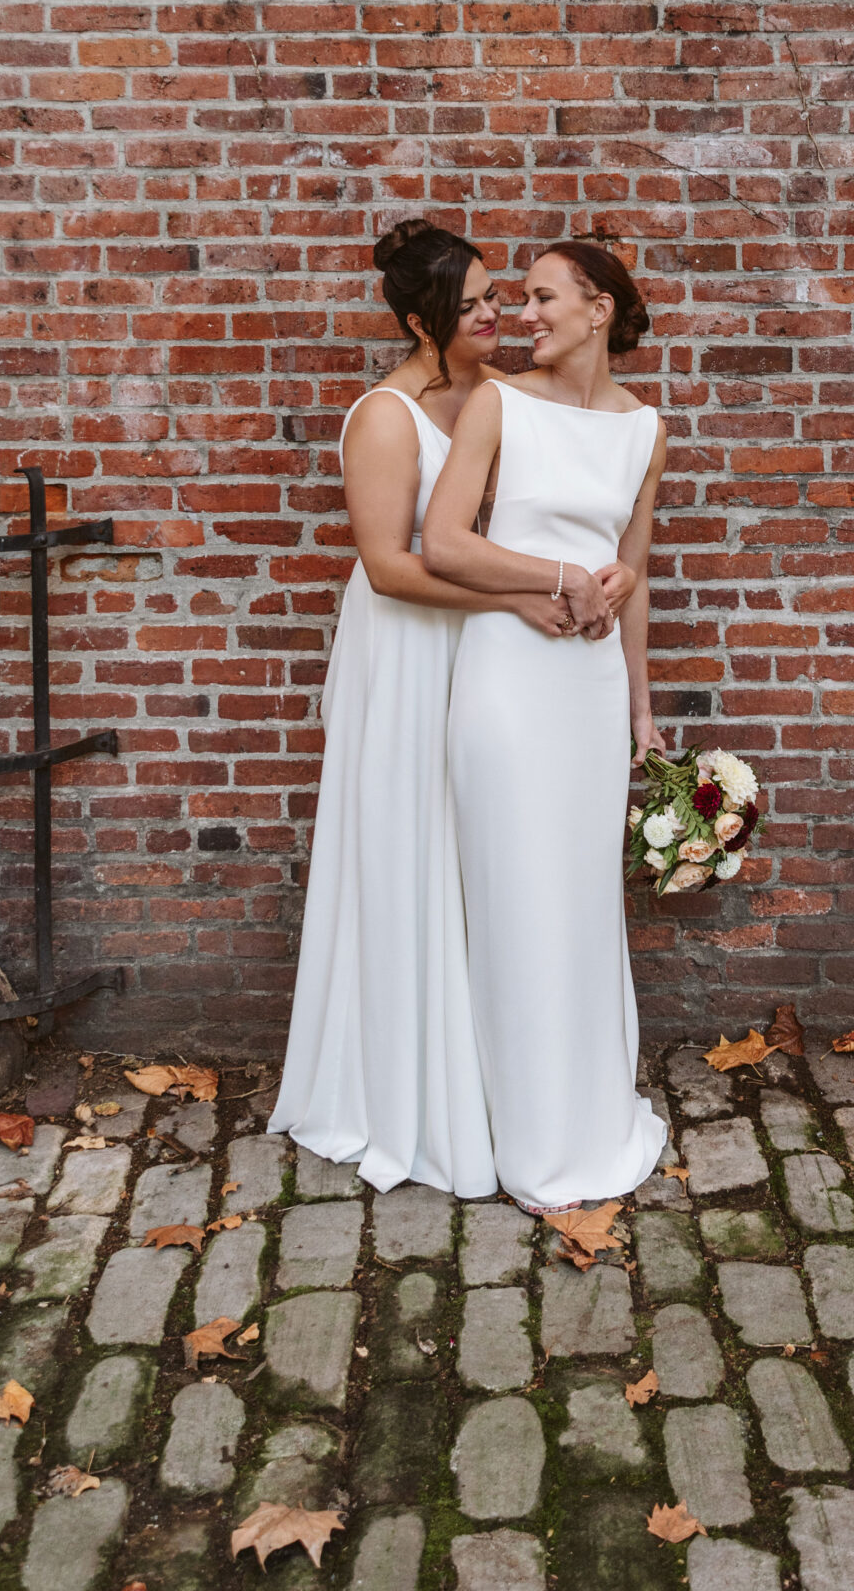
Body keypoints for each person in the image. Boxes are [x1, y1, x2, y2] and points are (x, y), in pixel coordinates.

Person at [269, 220, 566, 1196]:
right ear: (418, 320)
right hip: (406, 652)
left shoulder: (497, 397)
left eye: (496, 296)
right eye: (474, 303)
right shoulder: (386, 418)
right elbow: (392, 569)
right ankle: (397, 1087)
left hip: (480, 645)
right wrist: (515, 599)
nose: (496, 314)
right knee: (412, 845)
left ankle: (487, 1076)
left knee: (479, 851)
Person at [423, 239, 670, 1211]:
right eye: (521, 299)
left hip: (590, 690)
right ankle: (520, 1135)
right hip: (510, 680)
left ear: (599, 308)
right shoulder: (498, 404)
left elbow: (633, 574)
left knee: (580, 904)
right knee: (516, 898)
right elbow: (444, 544)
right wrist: (557, 576)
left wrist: (642, 711)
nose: (524, 314)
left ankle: (590, 1116)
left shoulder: (645, 428)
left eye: (542, 296)